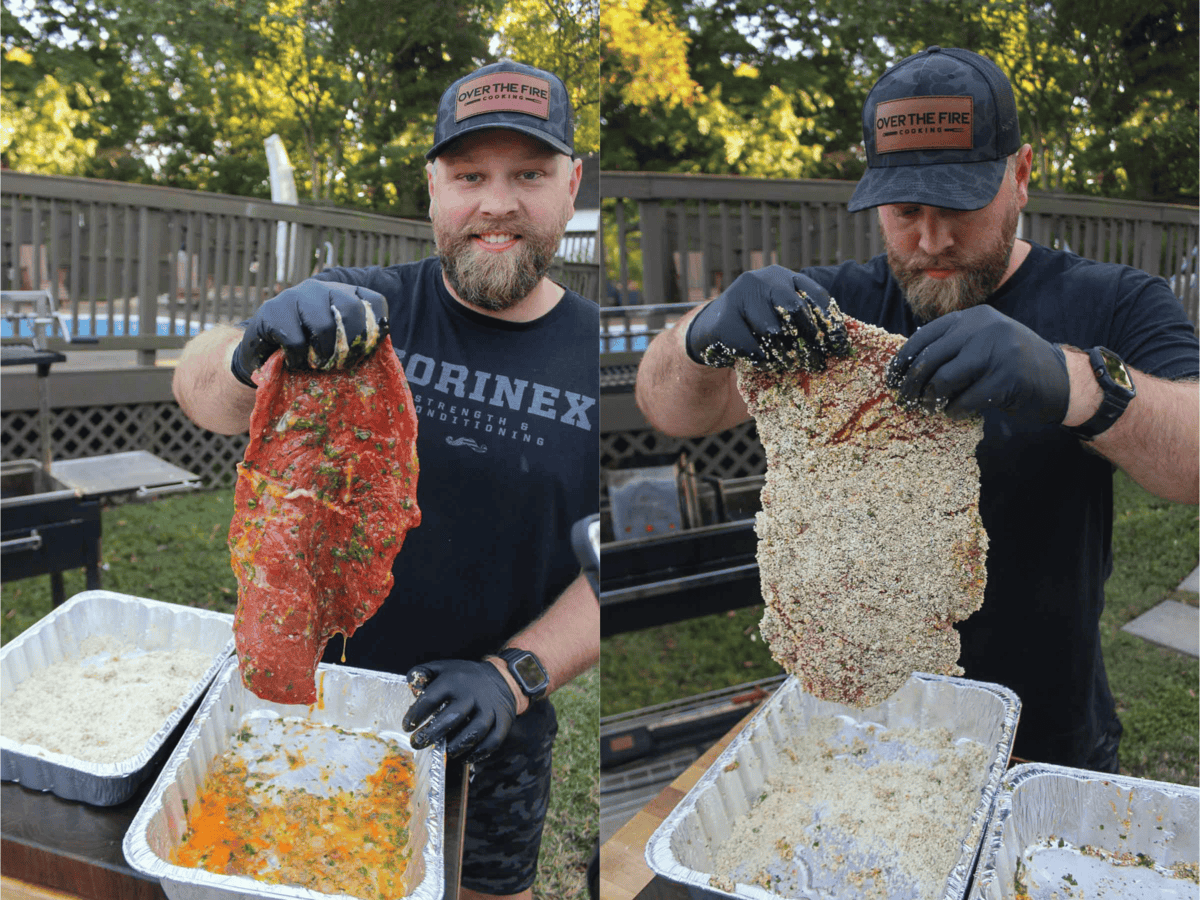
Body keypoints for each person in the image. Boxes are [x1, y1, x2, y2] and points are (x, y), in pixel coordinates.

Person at [635, 46, 1199, 773]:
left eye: (961, 206)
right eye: (905, 212)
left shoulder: (1114, 300)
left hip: (1044, 735)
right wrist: (702, 334)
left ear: (1021, 175)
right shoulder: (829, 314)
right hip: (858, 724)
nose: (931, 240)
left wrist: (1076, 385)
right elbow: (668, 408)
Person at [173, 59, 600, 900]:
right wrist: (243, 349)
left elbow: (608, 566)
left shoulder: (599, 352)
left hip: (492, 724)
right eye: (470, 174)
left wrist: (515, 675)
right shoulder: (364, 309)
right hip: (315, 694)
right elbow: (199, 394)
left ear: (572, 183)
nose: (497, 202)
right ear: (434, 185)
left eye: (530, 174)